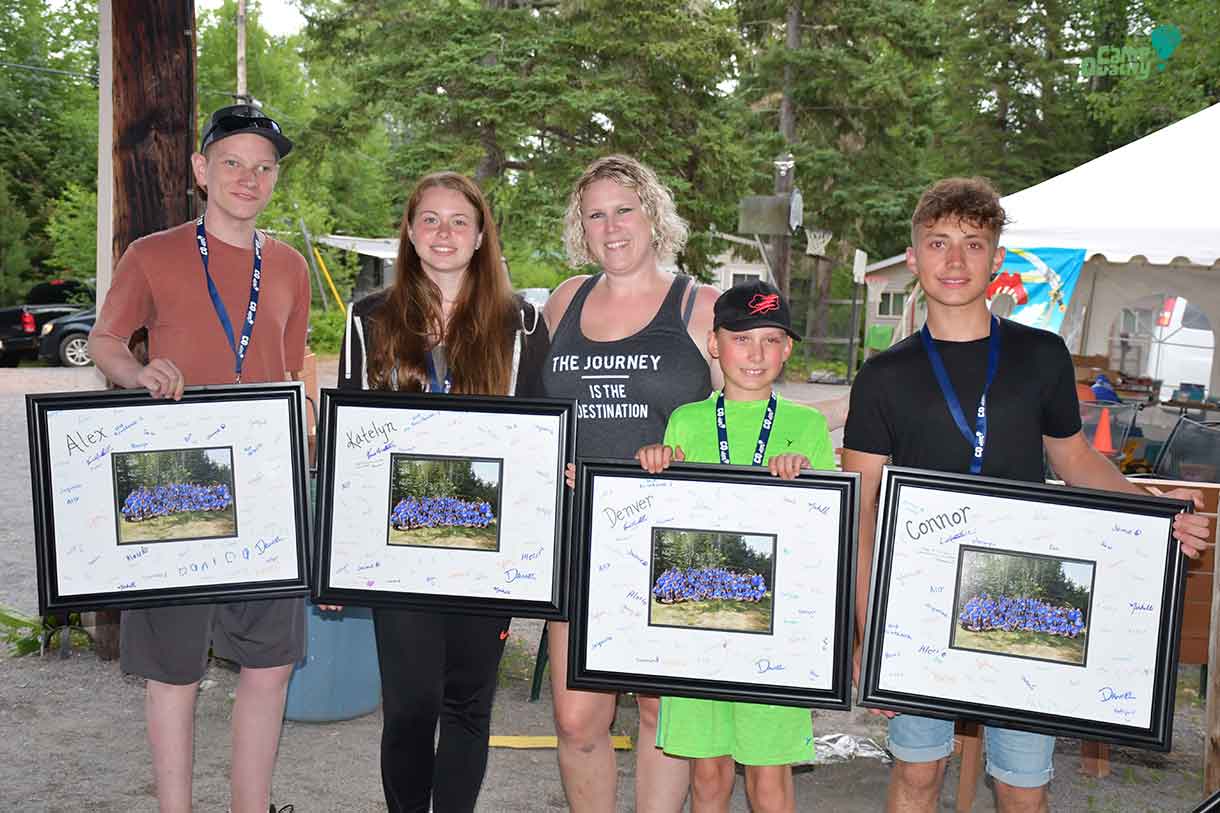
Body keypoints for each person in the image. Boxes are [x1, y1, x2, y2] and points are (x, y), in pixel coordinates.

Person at [842, 176, 1211, 813]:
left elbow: (1074, 459)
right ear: (913, 258)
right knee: (917, 778)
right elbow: (862, 508)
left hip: (1023, 592)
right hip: (918, 606)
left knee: (1021, 785)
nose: (954, 260)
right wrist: (866, 637)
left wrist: (1158, 515)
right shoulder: (883, 376)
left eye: (973, 244)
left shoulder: (1040, 355)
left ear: (997, 260)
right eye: (938, 243)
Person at [89, 104, 308, 813]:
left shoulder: (290, 265)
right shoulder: (151, 253)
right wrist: (137, 374)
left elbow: (291, 366)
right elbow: (106, 341)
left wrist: (307, 444)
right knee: (174, 669)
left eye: (264, 166)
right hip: (177, 481)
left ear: (275, 178)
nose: (249, 177)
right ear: (200, 171)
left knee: (271, 662)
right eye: (234, 163)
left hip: (269, 486)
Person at [333, 171, 551, 813]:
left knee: (466, 703)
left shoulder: (523, 325)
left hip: (489, 548)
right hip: (395, 545)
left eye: (459, 220)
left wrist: (554, 474)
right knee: (408, 704)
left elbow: (541, 435)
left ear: (482, 234)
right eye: (429, 219)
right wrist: (338, 558)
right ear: (408, 230)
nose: (444, 232)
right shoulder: (368, 319)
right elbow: (348, 448)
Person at [539, 154, 721, 812]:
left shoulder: (701, 307)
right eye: (596, 213)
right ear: (581, 228)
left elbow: (741, 424)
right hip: (578, 538)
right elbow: (531, 413)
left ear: (653, 214)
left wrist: (689, 461)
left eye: (625, 208)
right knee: (577, 720)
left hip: (666, 543)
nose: (611, 225)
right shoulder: (564, 300)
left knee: (656, 712)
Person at [636, 280, 835, 813]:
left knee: (769, 780)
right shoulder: (688, 421)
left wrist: (809, 480)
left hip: (775, 637)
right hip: (697, 634)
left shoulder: (807, 426)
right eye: (742, 339)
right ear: (714, 344)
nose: (756, 353)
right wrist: (656, 464)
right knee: (709, 777)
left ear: (788, 349)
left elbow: (825, 530)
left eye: (771, 340)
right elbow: (661, 518)